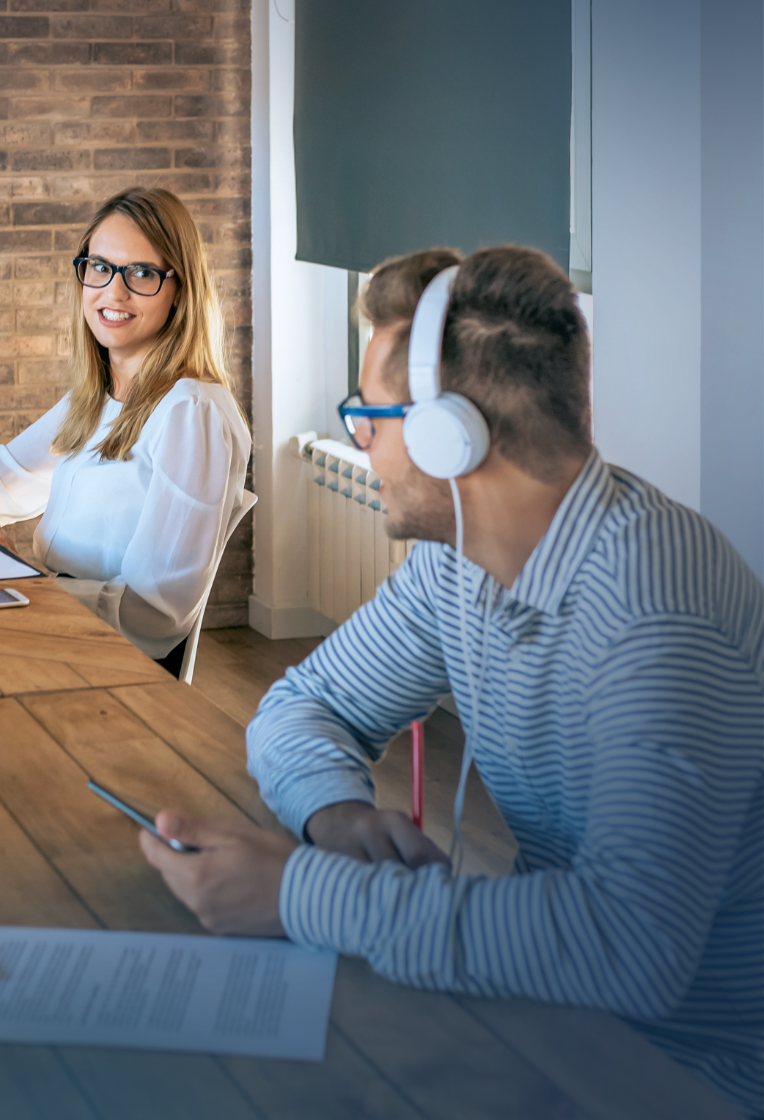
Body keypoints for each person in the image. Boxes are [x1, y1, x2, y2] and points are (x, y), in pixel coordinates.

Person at [138, 245, 763, 1116]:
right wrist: (337, 814)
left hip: (692, 1071)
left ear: (453, 432)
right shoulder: (462, 567)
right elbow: (303, 704)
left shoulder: (660, 612)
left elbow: (630, 949)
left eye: (372, 414)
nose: (359, 436)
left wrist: (300, 892)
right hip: (554, 1016)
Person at [0, 188, 251, 674]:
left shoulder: (191, 411)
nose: (113, 292)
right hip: (53, 628)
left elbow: (157, 613)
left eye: (141, 273)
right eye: (100, 267)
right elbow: (3, 475)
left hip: (108, 667)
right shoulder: (99, 397)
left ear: (181, 288)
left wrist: (31, 580)